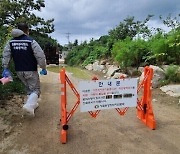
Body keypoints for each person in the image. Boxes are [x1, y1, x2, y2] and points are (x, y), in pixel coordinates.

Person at [2, 23, 47, 117]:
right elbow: (40, 55)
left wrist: (5, 68)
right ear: (27, 30)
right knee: (36, 90)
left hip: (19, 71)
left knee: (28, 88)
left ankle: (33, 105)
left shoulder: (10, 42)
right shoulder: (31, 41)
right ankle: (29, 106)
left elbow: (6, 56)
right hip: (30, 70)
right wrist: (43, 67)